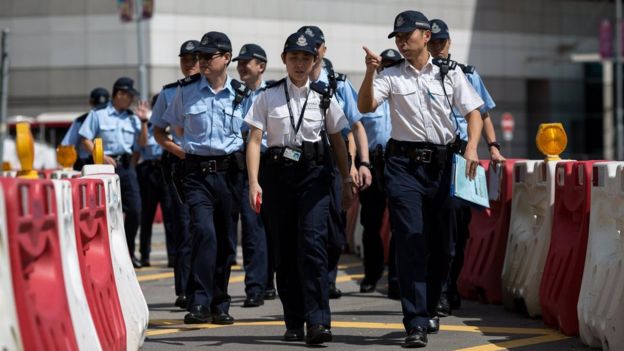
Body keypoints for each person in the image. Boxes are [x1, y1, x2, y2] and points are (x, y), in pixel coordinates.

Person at [358, 10, 484, 348]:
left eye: (407, 34)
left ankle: (430, 307)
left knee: (443, 244)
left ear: (426, 36)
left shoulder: (451, 73)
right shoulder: (390, 75)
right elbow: (367, 106)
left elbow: (474, 112)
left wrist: (472, 147)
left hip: (443, 167)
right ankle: (414, 321)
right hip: (403, 167)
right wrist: (370, 73)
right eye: (397, 36)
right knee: (411, 238)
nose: (401, 40)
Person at [245, 32, 354, 345]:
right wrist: (254, 182)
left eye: (306, 58)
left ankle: (318, 321)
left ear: (314, 60)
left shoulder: (324, 96)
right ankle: (294, 320)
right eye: (294, 58)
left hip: (314, 178)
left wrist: (346, 180)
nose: (300, 63)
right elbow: (254, 141)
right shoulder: (268, 95)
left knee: (313, 247)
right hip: (278, 178)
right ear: (284, 60)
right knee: (286, 253)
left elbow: (337, 139)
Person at [163, 31, 252, 325]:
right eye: (197, 57)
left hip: (229, 174)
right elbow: (175, 127)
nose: (200, 61)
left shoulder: (243, 95)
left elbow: (251, 137)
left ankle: (220, 302)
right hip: (196, 174)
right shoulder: (185, 91)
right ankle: (200, 301)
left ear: (226, 58)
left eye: (207, 56)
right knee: (204, 232)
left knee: (226, 240)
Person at [426, 18, 505, 316]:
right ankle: (439, 290)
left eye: (440, 42)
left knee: (460, 229)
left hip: (464, 159)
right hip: (434, 156)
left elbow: (482, 113)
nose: (436, 48)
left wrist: (493, 147)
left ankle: (450, 286)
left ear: (449, 43)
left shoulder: (466, 74)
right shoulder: (419, 75)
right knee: (436, 229)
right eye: (431, 42)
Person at [297, 25, 372, 299]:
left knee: (336, 231)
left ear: (322, 50)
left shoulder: (339, 84)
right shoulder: (294, 83)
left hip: (337, 161)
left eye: (314, 48)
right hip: (304, 163)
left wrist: (359, 164)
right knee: (310, 228)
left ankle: (327, 274)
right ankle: (319, 281)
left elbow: (356, 127)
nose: (309, 55)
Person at [79, 77, 149, 268]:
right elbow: (85, 139)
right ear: (119, 94)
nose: (132, 100)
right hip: (104, 168)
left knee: (135, 210)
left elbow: (142, 143)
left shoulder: (132, 117)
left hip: (126, 169)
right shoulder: (98, 114)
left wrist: (143, 122)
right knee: (106, 214)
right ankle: (106, 253)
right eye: (129, 96)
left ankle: (127, 251)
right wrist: (99, 155)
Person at [151, 39, 200, 309]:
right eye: (185, 60)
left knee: (208, 229)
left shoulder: (214, 89)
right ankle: (185, 289)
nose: (190, 64)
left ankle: (207, 289)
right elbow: (158, 132)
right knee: (184, 227)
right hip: (180, 165)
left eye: (194, 59)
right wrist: (180, 152)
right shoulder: (170, 93)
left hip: (210, 164)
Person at [357, 49, 401, 298]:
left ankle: (396, 276)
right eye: (385, 64)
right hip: (372, 163)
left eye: (394, 64)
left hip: (397, 161)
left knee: (399, 222)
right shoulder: (369, 91)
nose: (389, 68)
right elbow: (356, 128)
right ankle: (371, 274)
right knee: (370, 224)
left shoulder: (404, 90)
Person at [232, 43, 274, 307]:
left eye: (247, 62)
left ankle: (270, 282)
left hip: (274, 163)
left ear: (261, 66)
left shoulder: (274, 92)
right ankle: (255, 287)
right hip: (246, 166)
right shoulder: (234, 95)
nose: (241, 66)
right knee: (252, 228)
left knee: (276, 228)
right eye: (239, 62)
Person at [136, 94, 175, 268]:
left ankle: (173, 256)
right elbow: (142, 144)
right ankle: (145, 255)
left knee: (170, 214)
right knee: (147, 215)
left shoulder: (175, 122)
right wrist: (144, 123)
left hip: (166, 168)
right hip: (149, 170)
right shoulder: (148, 122)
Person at [61, 87, 110, 170]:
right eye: (97, 107)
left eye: (102, 108)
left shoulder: (111, 120)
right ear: (91, 103)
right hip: (85, 163)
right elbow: (67, 146)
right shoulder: (80, 121)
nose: (98, 111)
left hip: (108, 161)